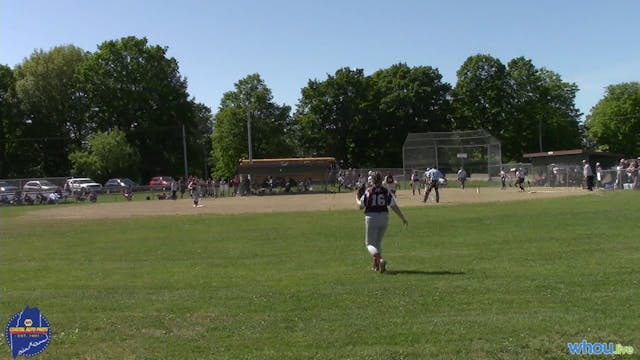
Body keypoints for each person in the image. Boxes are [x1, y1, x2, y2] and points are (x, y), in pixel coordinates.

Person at [357, 172, 408, 273]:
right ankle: (376, 266)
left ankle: (379, 260)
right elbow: (393, 206)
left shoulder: (369, 191)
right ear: (381, 180)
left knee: (369, 244)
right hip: (384, 217)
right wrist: (403, 218)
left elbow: (361, 206)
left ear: (372, 180)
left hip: (372, 217)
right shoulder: (385, 191)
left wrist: (357, 199)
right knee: (378, 243)